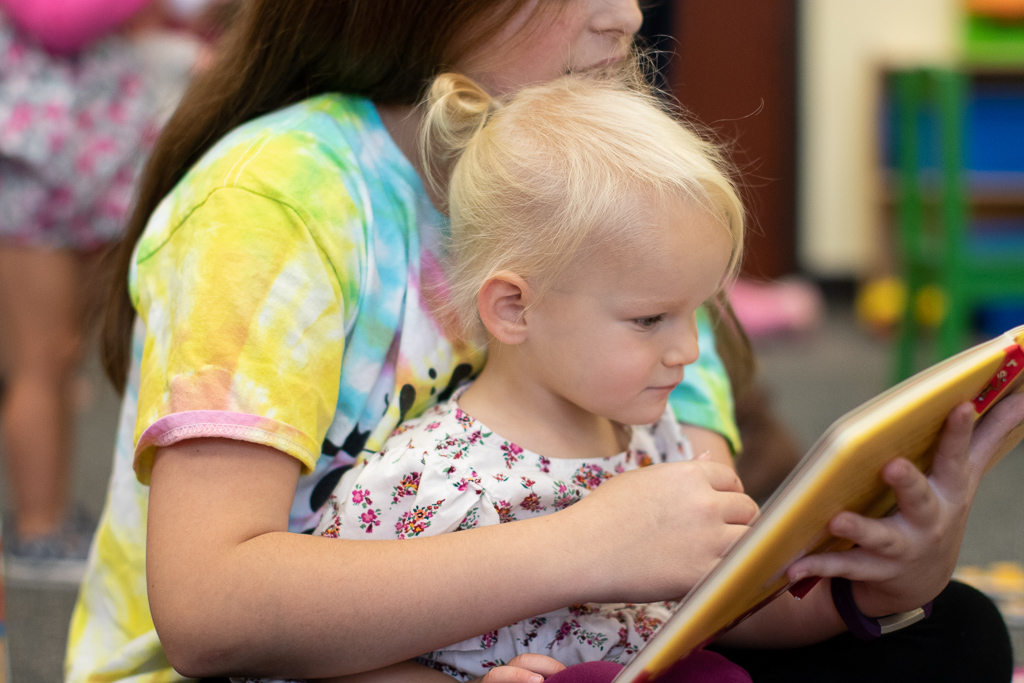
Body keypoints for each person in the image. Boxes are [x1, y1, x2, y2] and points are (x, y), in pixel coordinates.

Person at [69, 1, 1022, 682]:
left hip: (577, 644)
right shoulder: (279, 199)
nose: (625, 17)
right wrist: (580, 547)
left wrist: (892, 567)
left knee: (956, 632)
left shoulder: (630, 225)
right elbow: (207, 614)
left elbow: (698, 586)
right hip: (289, 666)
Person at [241, 70, 754, 683]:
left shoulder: (657, 442)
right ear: (515, 308)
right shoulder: (422, 483)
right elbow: (309, 659)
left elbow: (730, 605)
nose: (690, 350)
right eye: (650, 319)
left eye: (695, 312)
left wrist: (867, 592)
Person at [0, 0, 162, 580]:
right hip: (29, 176)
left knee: (59, 356)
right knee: (40, 362)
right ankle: (37, 526)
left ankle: (53, 514)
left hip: (64, 175)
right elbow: (56, 21)